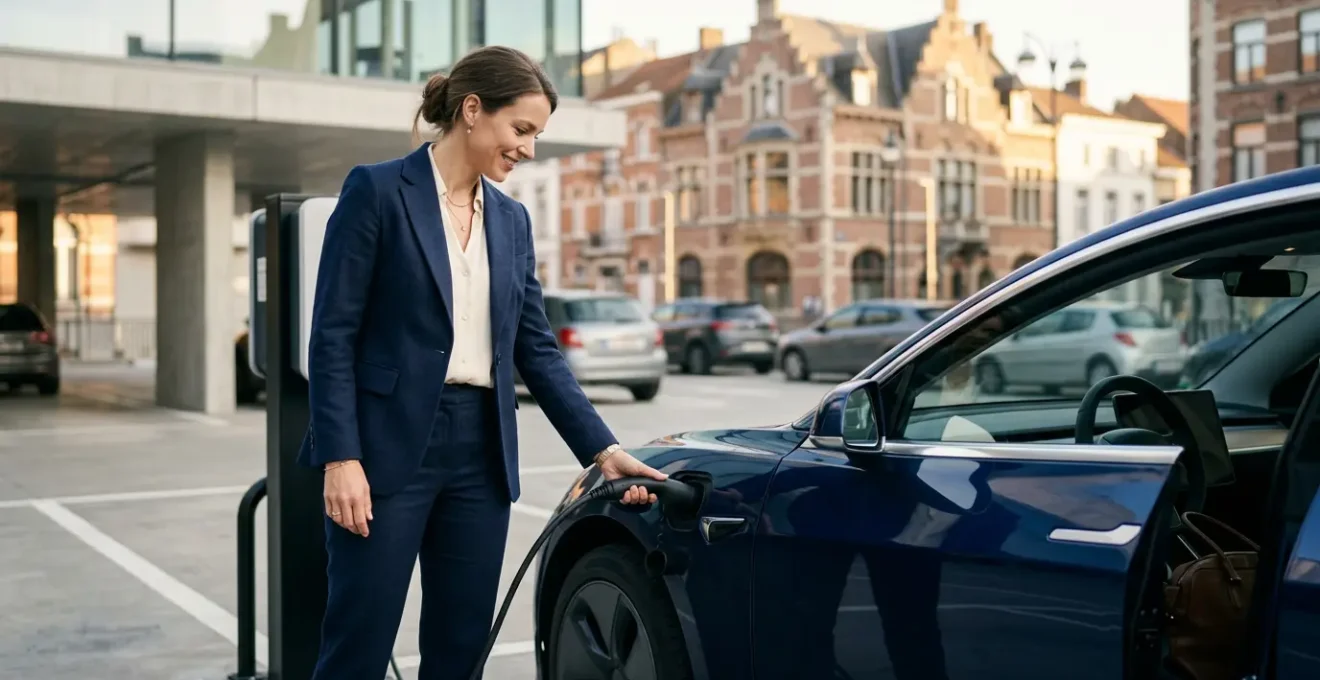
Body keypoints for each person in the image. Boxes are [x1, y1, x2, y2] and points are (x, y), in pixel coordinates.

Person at [296, 45, 668, 680]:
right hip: (384, 451)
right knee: (358, 643)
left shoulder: (512, 220)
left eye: (536, 135)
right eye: (520, 129)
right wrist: (341, 457)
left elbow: (535, 347)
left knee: (461, 646)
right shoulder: (378, 191)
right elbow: (333, 335)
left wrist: (602, 450)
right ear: (472, 110)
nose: (527, 149)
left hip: (481, 453)